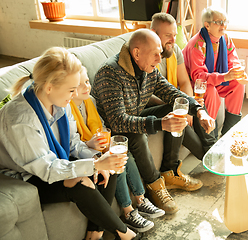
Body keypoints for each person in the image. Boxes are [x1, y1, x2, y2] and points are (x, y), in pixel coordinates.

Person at [0, 47, 140, 240]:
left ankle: (95, 231)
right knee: (80, 181)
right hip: (25, 174)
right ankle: (126, 235)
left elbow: (73, 142)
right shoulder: (21, 119)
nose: (74, 95)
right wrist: (93, 165)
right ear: (49, 87)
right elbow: (46, 169)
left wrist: (97, 160)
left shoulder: (59, 101)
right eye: (71, 90)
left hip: (52, 160)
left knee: (108, 168)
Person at [92, 29, 215, 214]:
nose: (160, 59)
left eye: (160, 53)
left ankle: (170, 172)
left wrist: (199, 111)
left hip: (134, 116)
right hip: (111, 129)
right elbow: (118, 121)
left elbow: (172, 93)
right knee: (138, 136)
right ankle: (155, 186)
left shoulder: (149, 69)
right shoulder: (110, 73)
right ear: (136, 53)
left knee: (174, 109)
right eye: (155, 54)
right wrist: (159, 124)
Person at [70, 66, 165, 233]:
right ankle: (128, 213)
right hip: (83, 153)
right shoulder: (66, 108)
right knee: (114, 162)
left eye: (87, 81)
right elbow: (72, 145)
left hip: (96, 146)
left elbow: (103, 125)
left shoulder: (89, 101)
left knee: (124, 154)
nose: (87, 86)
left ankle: (141, 200)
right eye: (80, 84)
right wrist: (91, 145)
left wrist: (105, 138)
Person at [150, 12, 217, 160]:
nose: (173, 40)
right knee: (179, 109)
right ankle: (208, 155)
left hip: (171, 96)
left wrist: (188, 105)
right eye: (168, 35)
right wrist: (182, 106)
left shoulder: (174, 51)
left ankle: (212, 147)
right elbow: (148, 95)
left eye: (174, 35)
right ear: (154, 33)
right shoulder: (146, 56)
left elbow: (185, 82)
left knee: (196, 102)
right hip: (157, 103)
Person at [182, 6, 248, 136]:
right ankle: (209, 133)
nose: (223, 25)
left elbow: (233, 60)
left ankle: (230, 131)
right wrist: (224, 77)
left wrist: (239, 73)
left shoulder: (225, 39)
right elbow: (198, 77)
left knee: (239, 84)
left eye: (225, 22)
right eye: (219, 22)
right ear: (207, 25)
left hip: (216, 78)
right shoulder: (197, 44)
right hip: (195, 84)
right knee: (211, 90)